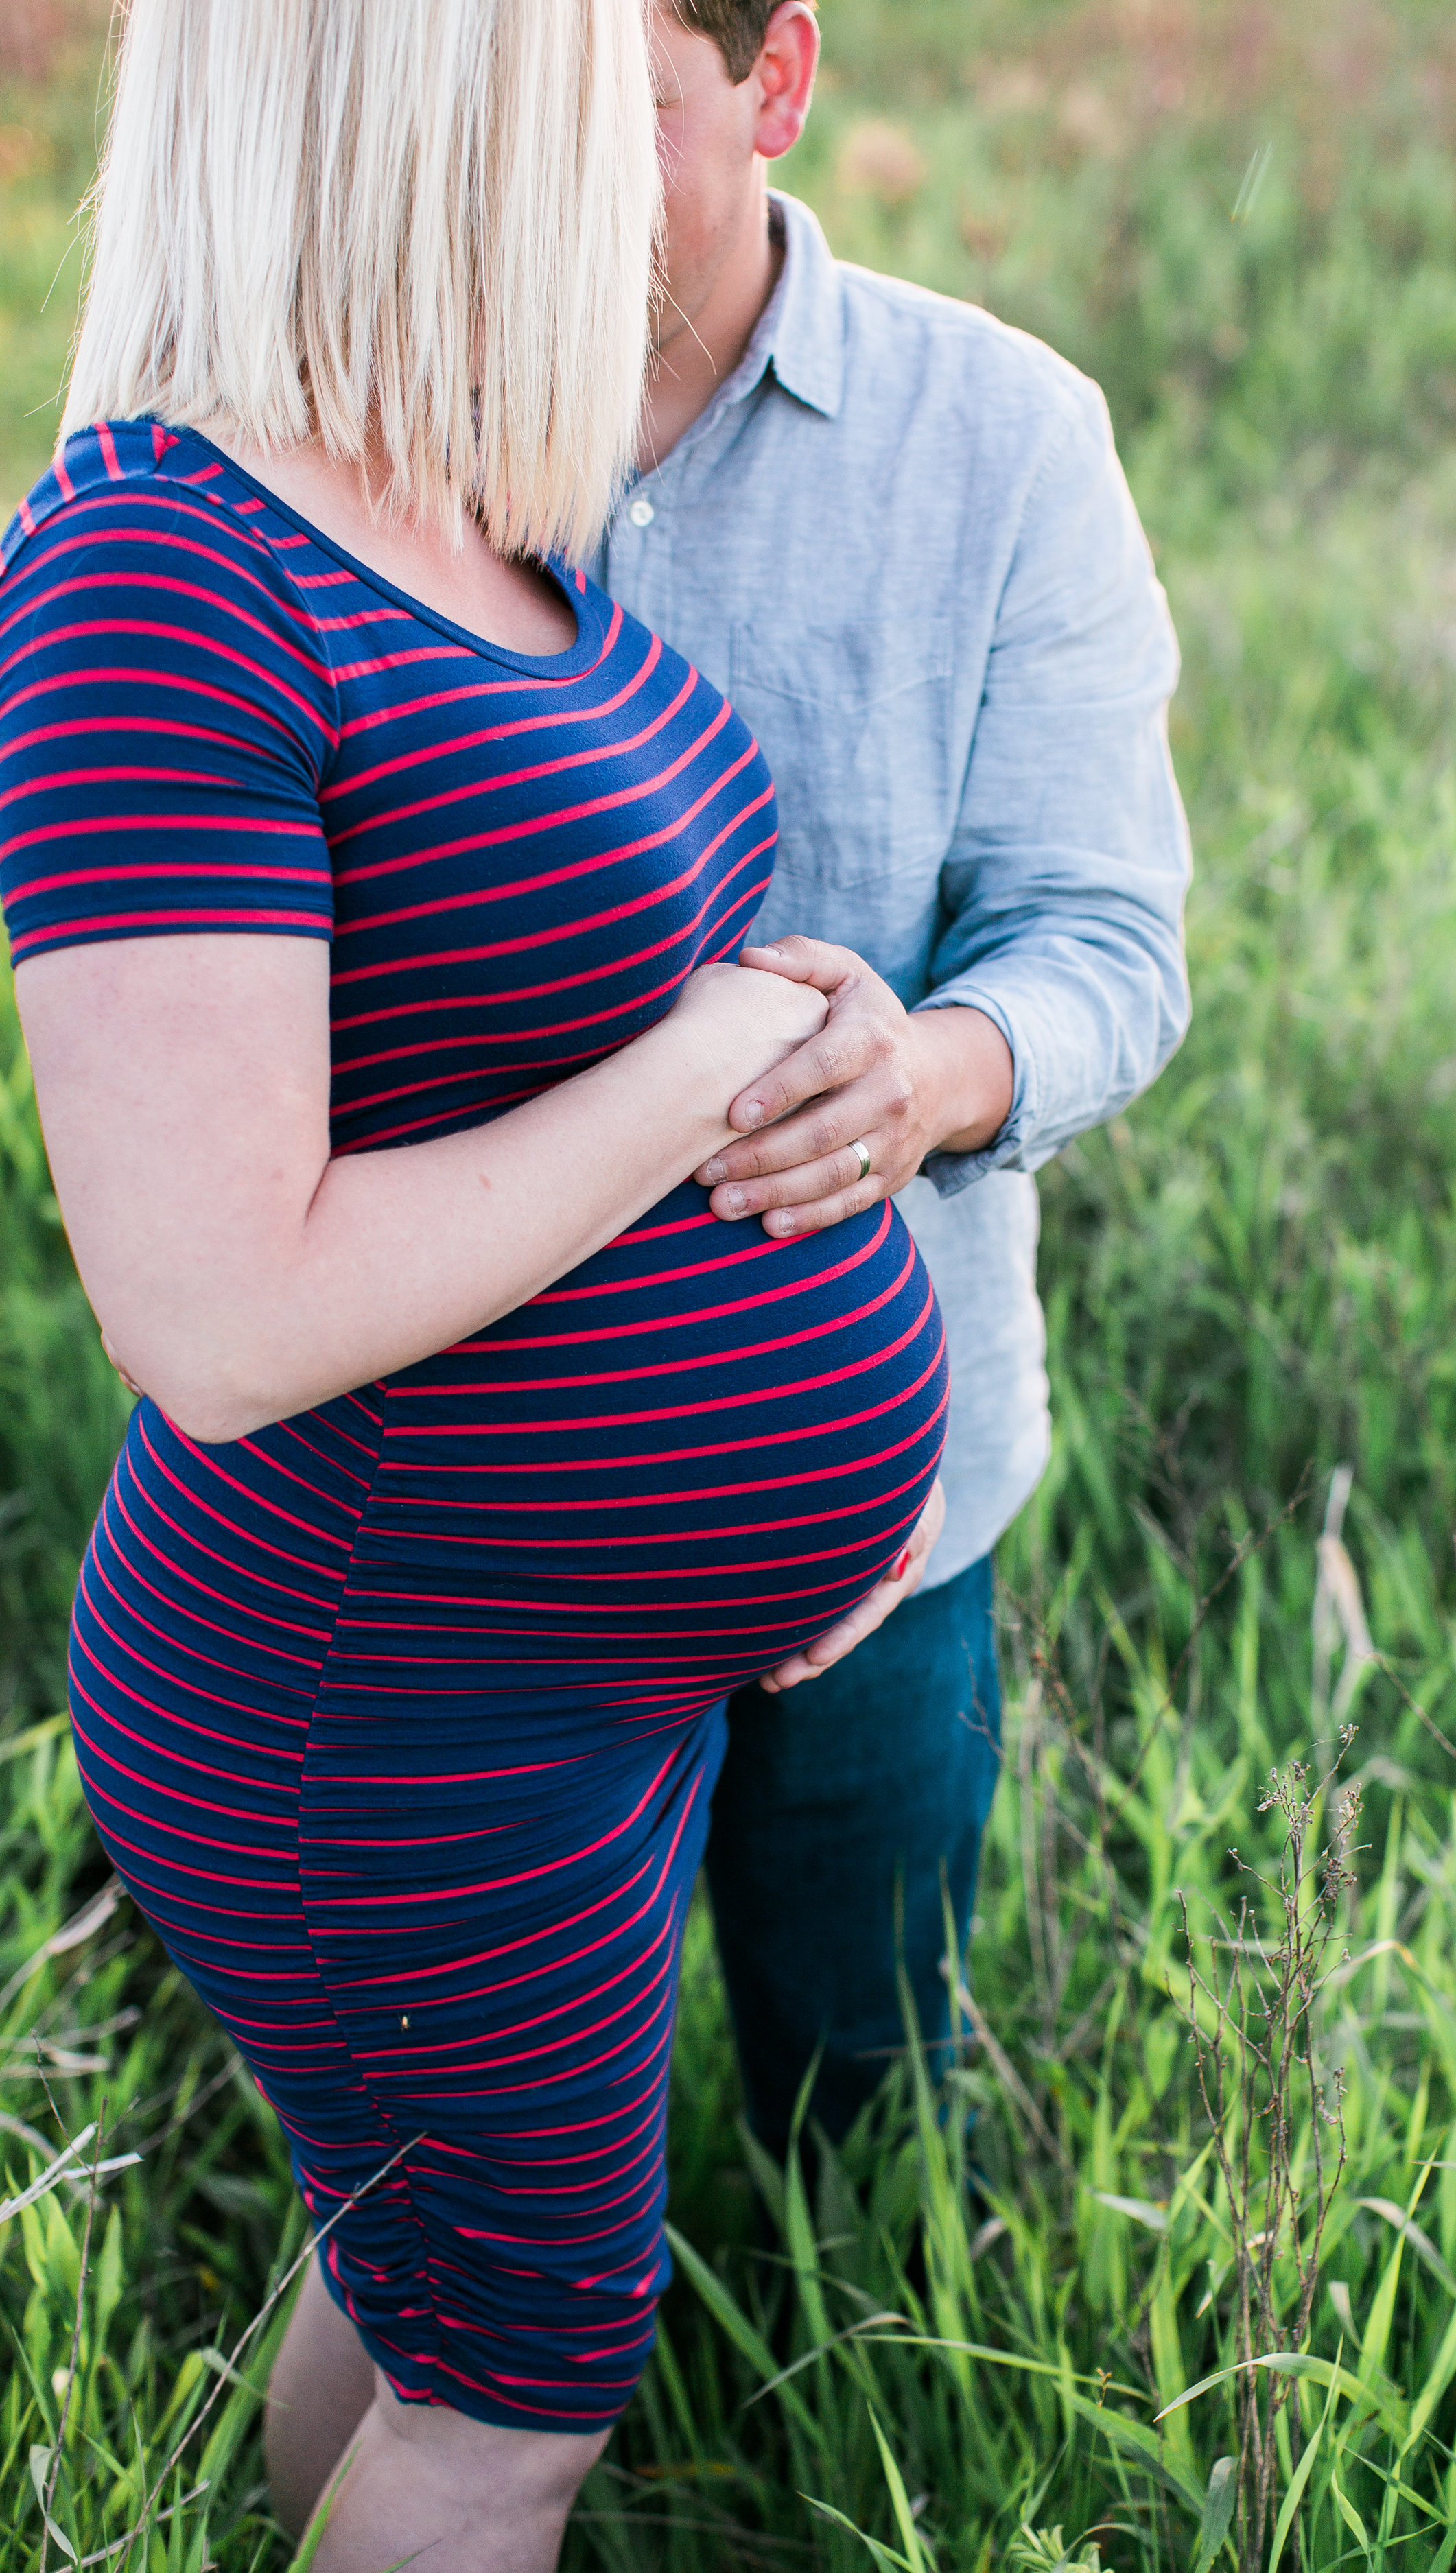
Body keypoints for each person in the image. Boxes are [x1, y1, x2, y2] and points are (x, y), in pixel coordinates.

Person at [0, 5, 950, 2567]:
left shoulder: (444, 501)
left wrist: (813, 1022)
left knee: (434, 2301)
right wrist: (713, 1053)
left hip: (560, 1676)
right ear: (400, 105)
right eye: (555, 80)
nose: (613, 157)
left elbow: (537, 1008)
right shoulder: (152, 557)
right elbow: (214, 1314)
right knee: (519, 2397)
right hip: (381, 1706)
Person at [601, 0, 1193, 2161]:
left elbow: (1107, 938)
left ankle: (832, 2460)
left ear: (777, 83)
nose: (543, 190)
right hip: (471, 1517)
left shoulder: (1006, 437)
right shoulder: (374, 433)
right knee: (450, 2147)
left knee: (861, 2104)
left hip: (890, 1488)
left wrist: (929, 1075)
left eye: (620, 118)